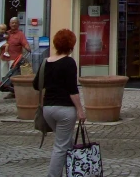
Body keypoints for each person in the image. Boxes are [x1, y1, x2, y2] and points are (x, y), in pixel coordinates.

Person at [33, 29, 86, 177]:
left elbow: (36, 85)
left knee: (65, 141)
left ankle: (71, 171)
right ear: (71, 45)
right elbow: (72, 90)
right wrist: (80, 110)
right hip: (65, 110)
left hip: (48, 109)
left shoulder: (46, 62)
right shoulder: (69, 62)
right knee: (61, 146)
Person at [4, 17, 31, 97]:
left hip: (14, 58)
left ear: (18, 24)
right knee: (4, 76)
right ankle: (7, 89)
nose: (14, 24)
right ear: (9, 24)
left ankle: (13, 92)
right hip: (4, 57)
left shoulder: (20, 34)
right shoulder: (6, 33)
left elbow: (25, 43)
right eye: (12, 23)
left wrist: (28, 48)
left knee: (12, 76)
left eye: (15, 23)